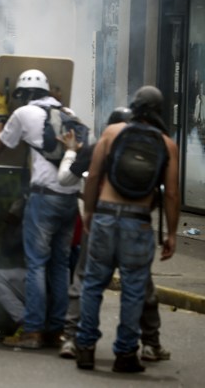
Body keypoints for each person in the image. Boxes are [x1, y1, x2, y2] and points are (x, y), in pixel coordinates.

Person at [75, 86, 180, 373]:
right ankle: (125, 355)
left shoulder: (111, 133)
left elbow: (94, 175)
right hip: (139, 222)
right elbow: (171, 194)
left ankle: (84, 348)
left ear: (134, 106)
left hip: (106, 217)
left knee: (94, 284)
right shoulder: (167, 144)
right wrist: (171, 233)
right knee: (134, 290)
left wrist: (88, 212)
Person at [0, 69, 80, 349]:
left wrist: (1, 115)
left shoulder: (24, 113)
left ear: (26, 95)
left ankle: (32, 329)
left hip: (44, 198)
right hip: (69, 197)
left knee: (37, 263)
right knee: (60, 264)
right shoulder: (68, 112)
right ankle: (56, 329)